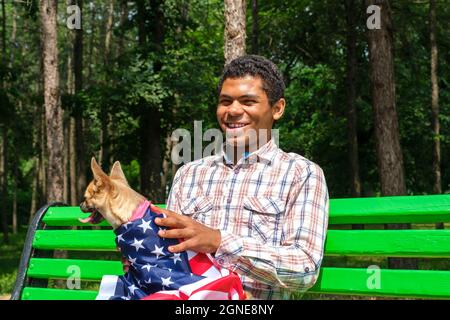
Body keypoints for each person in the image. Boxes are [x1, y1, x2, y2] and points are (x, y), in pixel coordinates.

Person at [152, 55, 329, 300]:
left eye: (248, 101)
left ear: (277, 109)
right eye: (225, 101)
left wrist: (219, 242)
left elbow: (304, 269)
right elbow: (169, 255)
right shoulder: (189, 174)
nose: (233, 110)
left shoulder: (302, 174)